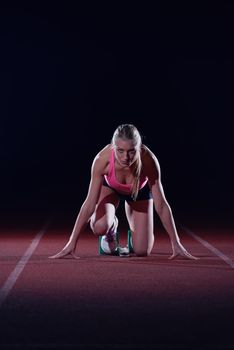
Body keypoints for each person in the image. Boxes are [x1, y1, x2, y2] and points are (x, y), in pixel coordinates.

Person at [50, 124, 198, 260]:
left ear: (139, 148)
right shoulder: (102, 160)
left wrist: (176, 243)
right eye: (120, 151)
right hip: (111, 190)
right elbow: (89, 203)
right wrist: (71, 243)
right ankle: (111, 228)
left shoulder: (149, 161)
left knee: (142, 251)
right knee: (99, 227)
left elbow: (162, 206)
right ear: (114, 147)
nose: (125, 158)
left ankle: (137, 235)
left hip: (138, 194)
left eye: (131, 151)